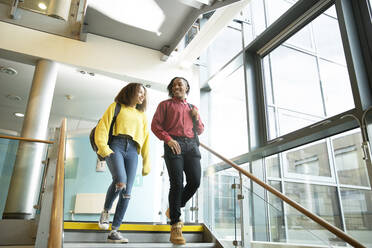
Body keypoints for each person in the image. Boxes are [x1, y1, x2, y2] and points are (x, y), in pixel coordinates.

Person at [151, 77, 204, 245]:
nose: (176, 86)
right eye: (173, 85)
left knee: (195, 181)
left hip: (191, 146)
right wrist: (168, 139)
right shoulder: (165, 105)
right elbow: (155, 126)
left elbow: (200, 130)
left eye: (180, 84)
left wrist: (196, 118)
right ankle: (175, 224)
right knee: (177, 183)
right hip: (173, 144)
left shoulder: (192, 107)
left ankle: (174, 207)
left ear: (187, 87)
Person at [95, 83, 150, 243]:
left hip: (133, 150)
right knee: (120, 181)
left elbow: (145, 140)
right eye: (139, 92)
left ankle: (114, 232)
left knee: (127, 193)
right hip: (116, 146)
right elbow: (103, 128)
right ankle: (106, 212)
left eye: (144, 94)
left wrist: (146, 162)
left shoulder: (142, 115)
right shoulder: (116, 106)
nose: (142, 96)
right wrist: (104, 148)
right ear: (130, 92)